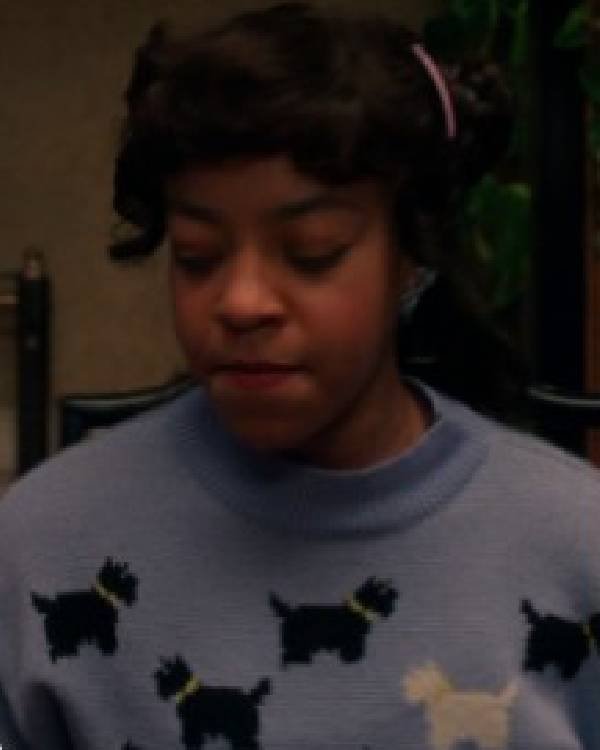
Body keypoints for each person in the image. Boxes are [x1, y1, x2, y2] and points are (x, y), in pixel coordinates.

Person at [1, 3, 599, 749]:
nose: (242, 302)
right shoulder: (45, 542)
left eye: (312, 253)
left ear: (410, 260)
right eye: (197, 256)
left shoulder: (575, 543)